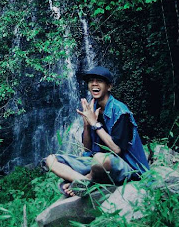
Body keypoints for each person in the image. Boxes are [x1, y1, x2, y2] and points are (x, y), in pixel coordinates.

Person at [43, 66, 150, 197]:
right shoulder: (92, 109)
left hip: (126, 166)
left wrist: (95, 123)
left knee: (100, 159)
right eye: (91, 81)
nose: (94, 83)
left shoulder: (121, 112)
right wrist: (87, 125)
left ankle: (87, 180)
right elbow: (87, 149)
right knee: (51, 160)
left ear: (109, 87)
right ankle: (83, 181)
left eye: (99, 80)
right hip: (96, 164)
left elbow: (116, 149)